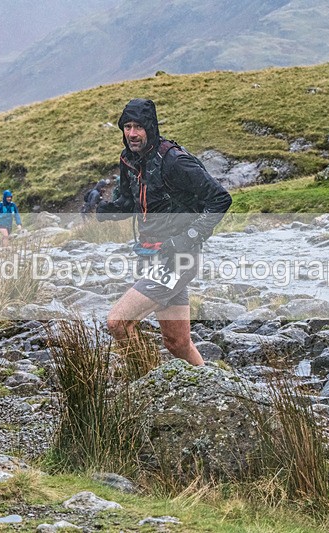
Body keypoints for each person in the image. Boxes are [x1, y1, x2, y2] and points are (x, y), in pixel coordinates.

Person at [97, 98, 231, 366]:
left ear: (151, 127)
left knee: (118, 323)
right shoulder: (128, 160)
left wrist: (187, 238)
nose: (132, 134)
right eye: (127, 127)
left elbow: (220, 198)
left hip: (178, 258)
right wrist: (108, 210)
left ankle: (149, 381)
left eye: (138, 127)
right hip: (151, 256)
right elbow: (129, 202)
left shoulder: (174, 161)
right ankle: (211, 386)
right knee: (177, 343)